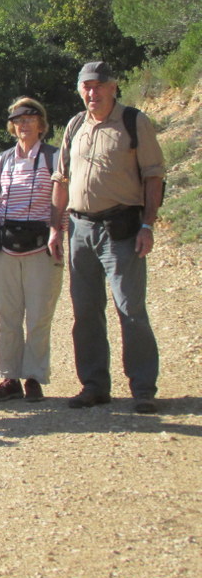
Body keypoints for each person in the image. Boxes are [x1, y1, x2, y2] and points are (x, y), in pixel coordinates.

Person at [48, 61, 165, 414]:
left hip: (122, 228)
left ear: (114, 87)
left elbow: (154, 176)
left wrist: (148, 225)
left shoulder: (134, 122)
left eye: (99, 85)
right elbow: (61, 180)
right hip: (80, 229)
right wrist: (56, 226)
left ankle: (143, 388)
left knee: (129, 307)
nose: (92, 93)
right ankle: (94, 385)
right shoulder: (74, 125)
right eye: (86, 86)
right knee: (85, 311)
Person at [0, 99, 63, 403]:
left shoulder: (55, 157)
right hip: (7, 246)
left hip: (43, 245)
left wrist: (58, 233)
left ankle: (34, 377)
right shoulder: (3, 160)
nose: (24, 124)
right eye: (18, 119)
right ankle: (9, 377)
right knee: (7, 315)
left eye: (30, 118)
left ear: (41, 123)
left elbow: (62, 200)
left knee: (39, 315)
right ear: (12, 125)